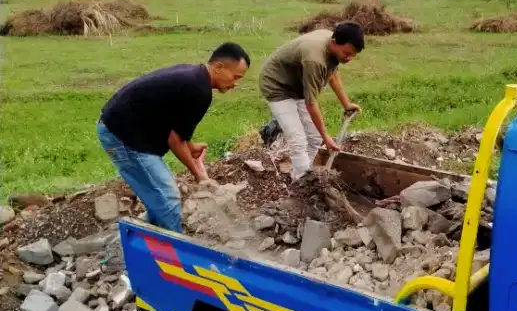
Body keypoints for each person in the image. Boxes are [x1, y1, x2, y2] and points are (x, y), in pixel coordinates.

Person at [97, 42, 250, 232]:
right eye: (235, 76)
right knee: (168, 197)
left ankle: (145, 240)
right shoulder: (198, 89)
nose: (236, 83)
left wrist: (190, 146)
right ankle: (174, 255)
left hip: (129, 131)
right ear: (219, 67)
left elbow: (174, 128)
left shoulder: (195, 77)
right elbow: (175, 141)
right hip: (121, 136)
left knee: (158, 195)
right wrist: (200, 176)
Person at [259, 21, 364, 179]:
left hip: (297, 83)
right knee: (298, 139)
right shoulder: (315, 59)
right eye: (347, 53)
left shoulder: (332, 44)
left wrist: (346, 104)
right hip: (277, 85)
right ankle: (303, 184)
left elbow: (332, 73)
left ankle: (302, 175)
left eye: (353, 55)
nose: (349, 58)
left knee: (314, 137)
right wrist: (327, 137)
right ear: (334, 42)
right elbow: (311, 103)